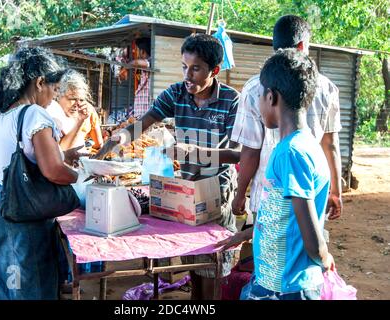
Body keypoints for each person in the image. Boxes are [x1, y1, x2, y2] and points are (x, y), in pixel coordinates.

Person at [96, 33, 241, 300]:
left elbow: (238, 154)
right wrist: (119, 138)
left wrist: (195, 152)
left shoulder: (232, 100)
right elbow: (143, 123)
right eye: (184, 67)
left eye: (196, 69)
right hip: (185, 187)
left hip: (216, 188)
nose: (188, 75)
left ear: (214, 70)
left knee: (214, 260)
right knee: (193, 260)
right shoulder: (176, 93)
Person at [226, 15, 343, 249]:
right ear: (302, 47)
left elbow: (250, 152)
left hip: (268, 199)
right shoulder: (326, 87)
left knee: (272, 263)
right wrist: (335, 191)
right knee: (300, 249)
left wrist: (240, 195)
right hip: (312, 194)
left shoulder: (254, 87)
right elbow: (330, 144)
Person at [0, 47, 79, 300]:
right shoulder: (33, 114)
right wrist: (81, 178)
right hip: (20, 208)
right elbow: (53, 171)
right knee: (25, 277)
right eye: (54, 89)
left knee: (1, 274)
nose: (54, 97)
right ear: (40, 82)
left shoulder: (0, 113)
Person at [239, 48, 335, 300]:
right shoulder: (299, 146)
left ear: (271, 97)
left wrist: (325, 257)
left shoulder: (291, 152)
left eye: (260, 96)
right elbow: (283, 219)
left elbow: (311, 238)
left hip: (288, 289)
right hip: (274, 281)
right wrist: (245, 235)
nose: (259, 103)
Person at [47, 69, 103, 150]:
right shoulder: (51, 112)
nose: (78, 104)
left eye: (81, 99)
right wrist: (79, 122)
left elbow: (99, 144)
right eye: (72, 99)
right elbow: (62, 150)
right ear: (58, 96)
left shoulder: (88, 111)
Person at [130, 37, 152, 118]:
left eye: (138, 50)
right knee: (138, 129)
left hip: (144, 109)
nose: (137, 52)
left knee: (140, 129)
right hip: (141, 108)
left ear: (142, 51)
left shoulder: (150, 61)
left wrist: (125, 67)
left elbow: (136, 62)